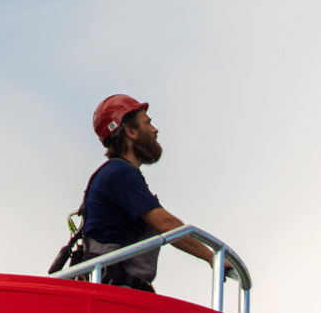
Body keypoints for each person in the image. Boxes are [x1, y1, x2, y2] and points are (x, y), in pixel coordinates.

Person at [76, 95, 216, 292]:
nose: (155, 130)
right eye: (148, 123)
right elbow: (164, 223)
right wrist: (212, 256)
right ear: (131, 131)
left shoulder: (120, 175)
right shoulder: (119, 173)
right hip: (115, 296)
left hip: (120, 293)